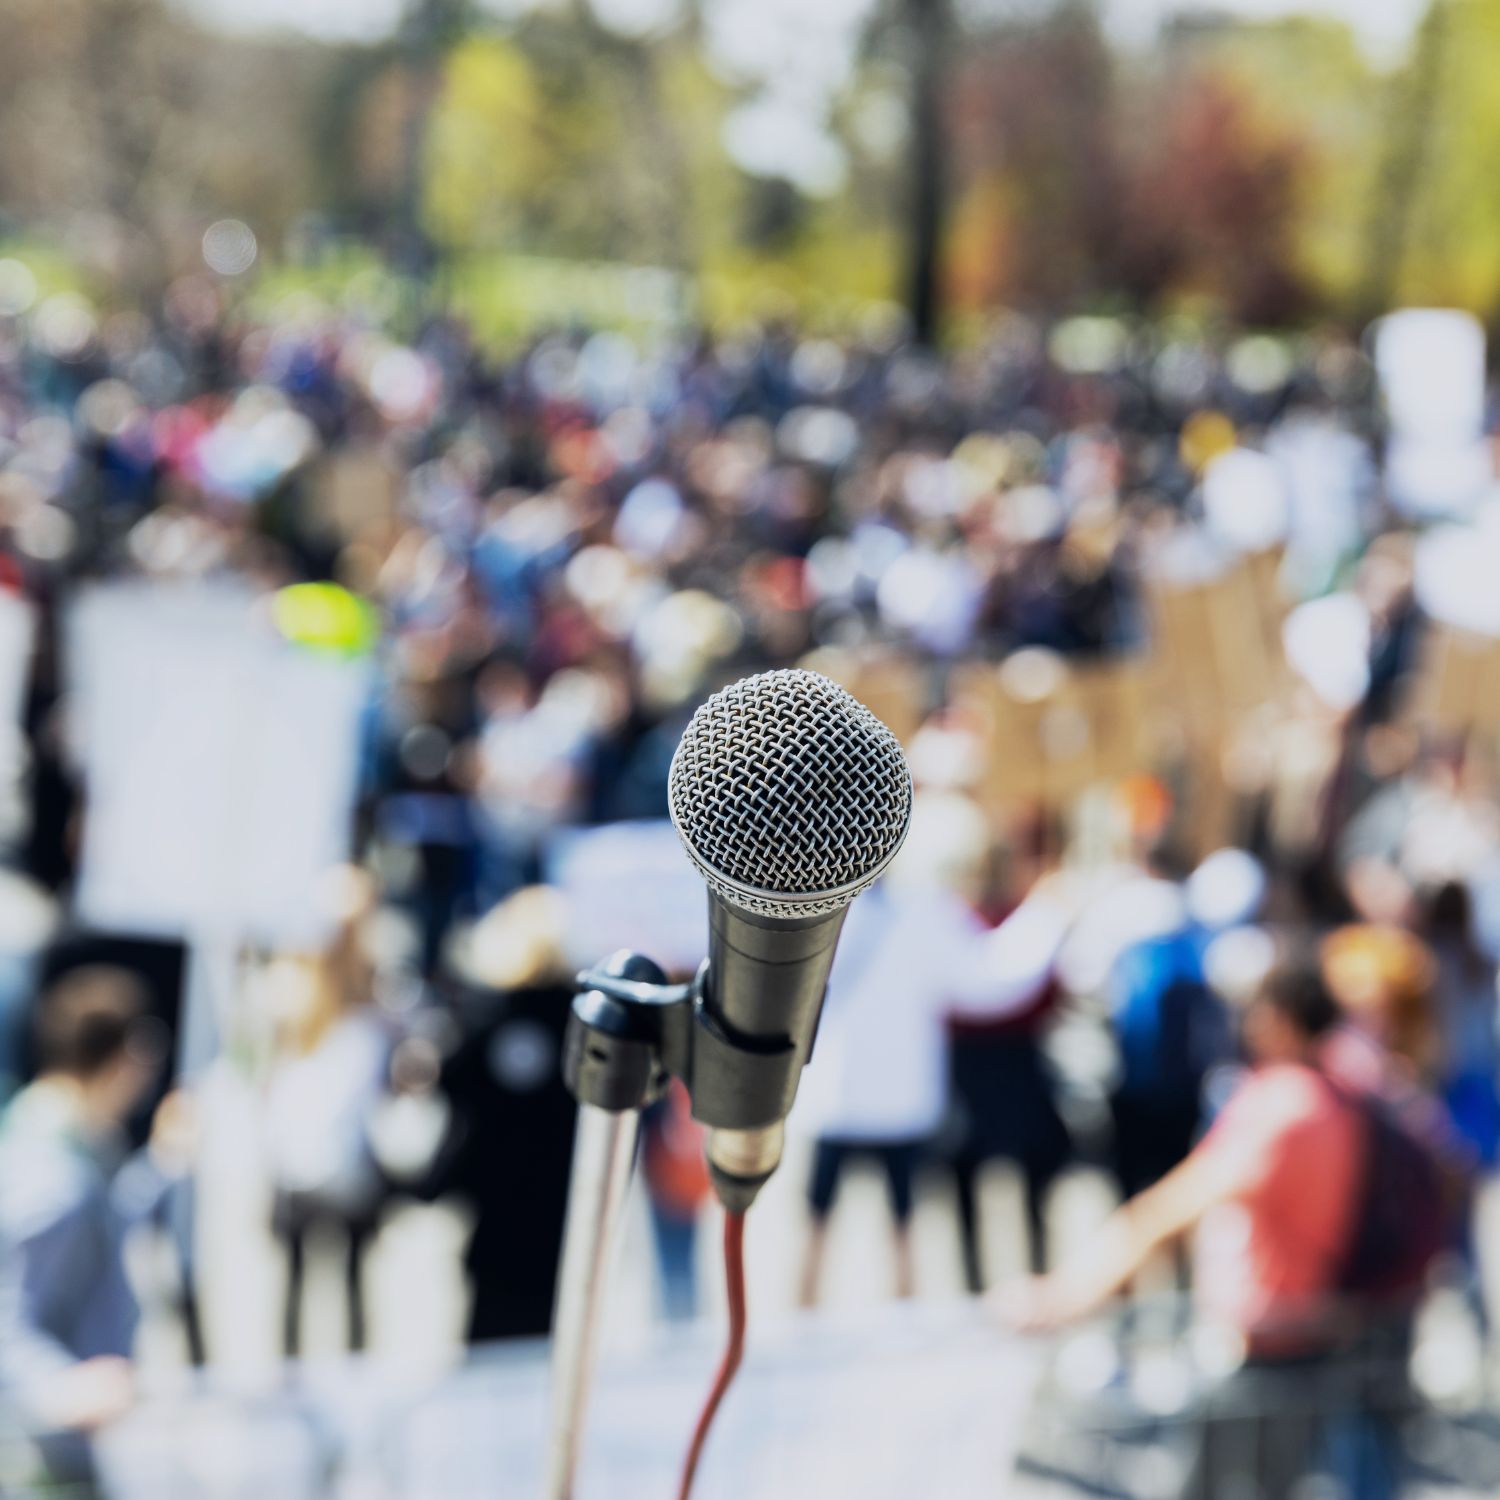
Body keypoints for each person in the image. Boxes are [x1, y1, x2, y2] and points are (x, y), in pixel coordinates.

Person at [1002, 961, 1439, 1500]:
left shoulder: (1282, 1108)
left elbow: (1165, 1212)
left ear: (1276, 1017)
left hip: (1270, 1348)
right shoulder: (1344, 1089)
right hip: (1324, 1335)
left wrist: (1063, 1295)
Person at [0, 967, 186, 1483]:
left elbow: (105, 1225)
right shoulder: (54, 1178)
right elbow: (10, 1323)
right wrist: (62, 1385)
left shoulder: (52, 1137)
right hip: (48, 1453)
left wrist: (163, 1164)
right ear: (124, 1059)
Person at [423, 885, 578, 1342]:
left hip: (496, 1208)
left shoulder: (489, 1019)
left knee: (489, 1335)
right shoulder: (583, 1018)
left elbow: (453, 1084)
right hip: (557, 1204)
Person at [263, 868, 392, 1357]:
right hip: (309, 1161)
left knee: (343, 1285)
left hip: (341, 1162)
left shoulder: (355, 996)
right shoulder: (298, 993)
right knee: (303, 1285)